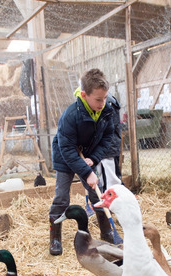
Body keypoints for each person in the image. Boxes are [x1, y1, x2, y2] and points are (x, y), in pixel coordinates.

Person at [48, 69, 115, 256]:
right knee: (62, 197)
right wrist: (86, 172)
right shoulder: (70, 115)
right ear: (84, 95)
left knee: (97, 195)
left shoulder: (106, 111)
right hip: (65, 155)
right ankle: (55, 238)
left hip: (88, 155)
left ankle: (107, 232)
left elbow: (107, 138)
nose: (103, 104)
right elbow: (68, 150)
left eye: (105, 98)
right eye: (98, 100)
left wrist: (92, 160)